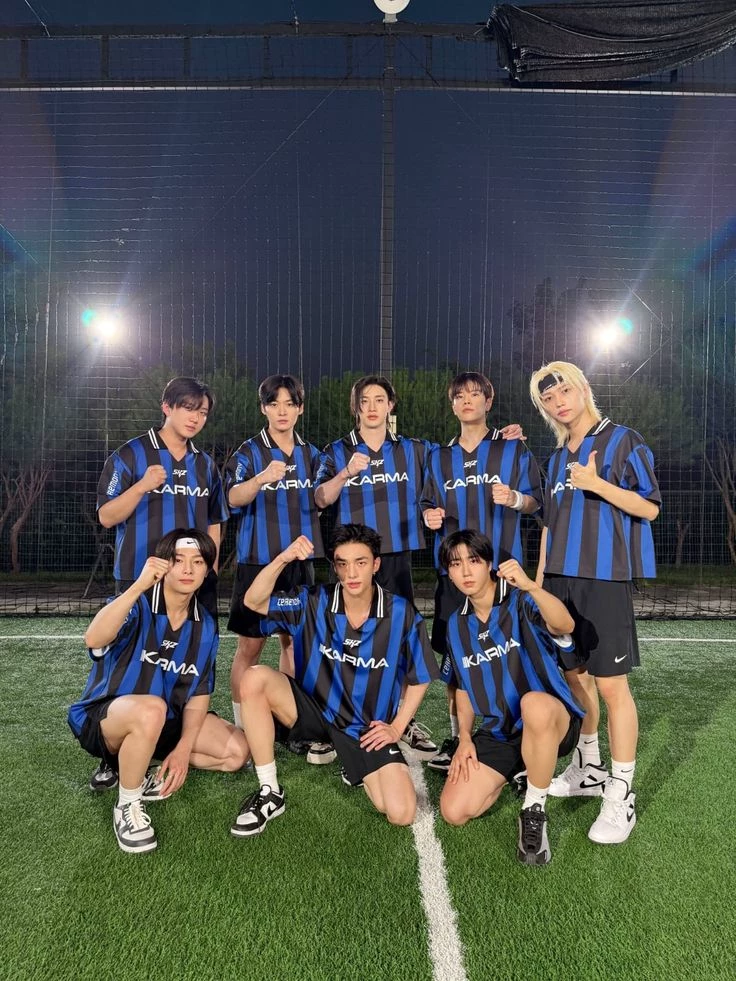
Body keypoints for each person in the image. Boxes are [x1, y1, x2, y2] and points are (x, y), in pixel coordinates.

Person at [230, 524, 440, 837]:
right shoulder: (312, 601)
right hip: (314, 712)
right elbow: (254, 601)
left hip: (364, 728)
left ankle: (354, 763)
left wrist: (396, 728)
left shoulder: (400, 612)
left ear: (376, 564)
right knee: (253, 678)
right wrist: (284, 558)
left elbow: (421, 675)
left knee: (402, 812)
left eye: (360, 562)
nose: (351, 573)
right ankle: (270, 791)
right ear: (335, 567)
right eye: (343, 564)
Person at [529, 361, 661, 844]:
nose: (558, 402)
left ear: (583, 388)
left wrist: (599, 484)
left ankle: (620, 794)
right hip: (560, 581)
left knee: (611, 687)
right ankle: (588, 767)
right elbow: (548, 526)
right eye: (548, 398)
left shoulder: (623, 440)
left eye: (564, 390)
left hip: (604, 580)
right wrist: (540, 584)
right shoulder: (555, 457)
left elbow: (650, 507)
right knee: (576, 677)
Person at [68, 529, 248, 854]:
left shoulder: (205, 626)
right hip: (106, 719)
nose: (188, 569)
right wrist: (138, 585)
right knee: (152, 709)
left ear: (207, 569)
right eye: (178, 560)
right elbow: (93, 638)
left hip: (163, 721)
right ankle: (127, 803)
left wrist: (182, 749)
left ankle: (145, 764)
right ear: (163, 565)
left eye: (198, 562)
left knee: (237, 752)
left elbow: (198, 694)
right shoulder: (138, 603)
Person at [92, 376, 229, 790]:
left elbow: (216, 519)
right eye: (188, 408)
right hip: (139, 579)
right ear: (167, 407)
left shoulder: (205, 465)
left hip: (191, 582)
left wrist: (210, 568)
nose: (195, 418)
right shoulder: (130, 454)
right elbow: (106, 516)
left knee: (189, 659)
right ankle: (111, 754)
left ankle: (171, 740)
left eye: (202, 412)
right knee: (123, 667)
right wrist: (142, 486)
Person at [437, 530, 583, 866]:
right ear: (448, 572)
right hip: (501, 732)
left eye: (474, 560)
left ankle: (534, 808)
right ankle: (521, 769)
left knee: (533, 704)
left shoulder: (520, 600)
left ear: (489, 563)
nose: (466, 571)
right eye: (456, 564)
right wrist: (464, 740)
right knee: (454, 811)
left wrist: (532, 586)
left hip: (551, 720)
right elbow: (462, 687)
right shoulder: (456, 625)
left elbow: (565, 624)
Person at [421, 371, 541, 772]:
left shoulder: (512, 448)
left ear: (488, 402)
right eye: (460, 396)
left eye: (475, 395)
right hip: (454, 577)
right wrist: (429, 517)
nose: (467, 401)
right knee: (456, 661)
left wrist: (515, 498)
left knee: (511, 656)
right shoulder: (438, 458)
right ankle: (459, 738)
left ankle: (519, 741)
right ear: (452, 404)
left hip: (502, 571)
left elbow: (537, 502)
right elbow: (426, 505)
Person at [314, 375, 437, 759]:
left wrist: (502, 439)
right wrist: (345, 473)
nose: (372, 407)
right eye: (364, 400)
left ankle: (402, 719)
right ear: (356, 407)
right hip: (351, 563)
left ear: (390, 405)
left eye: (379, 399)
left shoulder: (414, 450)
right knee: (343, 640)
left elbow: (460, 454)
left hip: (395, 557)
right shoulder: (336, 451)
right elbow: (319, 498)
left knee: (399, 640)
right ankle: (335, 721)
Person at [223, 374, 330, 764]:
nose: (282, 411)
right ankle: (243, 728)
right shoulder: (249, 452)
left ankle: (293, 726)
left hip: (300, 564)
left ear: (300, 409)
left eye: (289, 404)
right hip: (258, 563)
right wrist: (261, 478)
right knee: (250, 647)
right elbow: (232, 497)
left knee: (293, 643)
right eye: (274, 404)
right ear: (263, 408)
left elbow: (322, 498)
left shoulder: (312, 455)